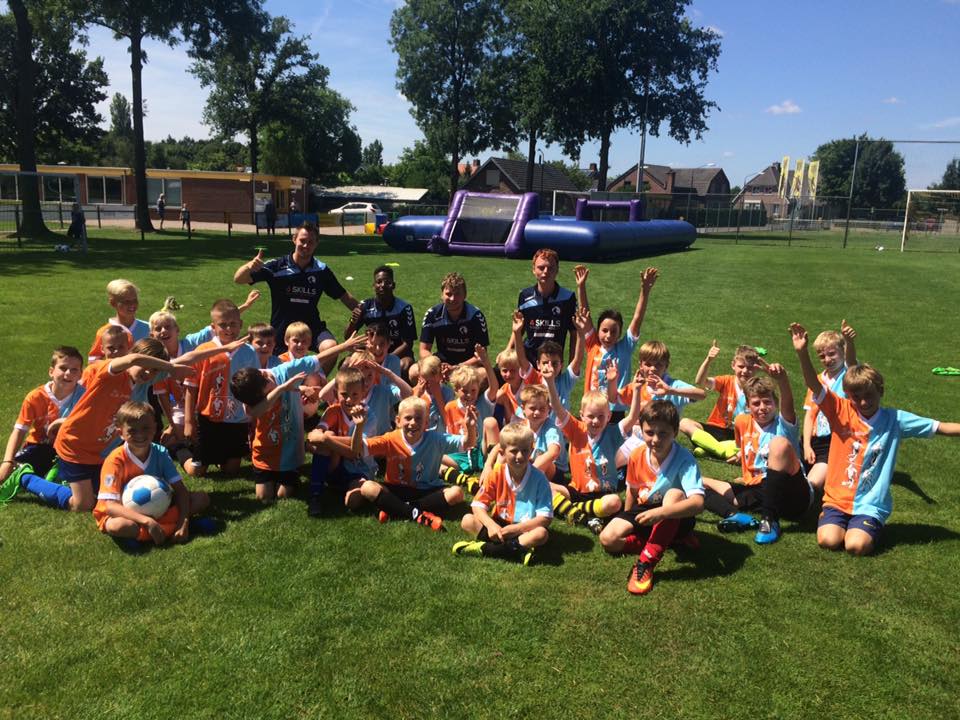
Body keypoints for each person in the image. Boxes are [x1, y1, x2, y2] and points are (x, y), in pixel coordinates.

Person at [791, 322, 960, 556]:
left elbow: (940, 427)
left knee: (856, 545)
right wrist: (802, 353)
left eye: (869, 395)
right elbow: (814, 384)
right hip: (837, 498)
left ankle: (867, 524)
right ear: (848, 396)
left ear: (880, 392)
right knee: (828, 540)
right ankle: (837, 519)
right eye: (856, 397)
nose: (863, 402)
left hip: (870, 502)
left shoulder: (895, 419)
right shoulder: (840, 410)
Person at [0, 338, 200, 512]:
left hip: (99, 452)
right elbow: (134, 359)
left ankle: (64, 476)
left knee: (111, 496)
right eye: (147, 365)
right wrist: (170, 368)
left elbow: (187, 359)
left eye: (154, 369)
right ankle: (25, 477)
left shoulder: (143, 380)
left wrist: (218, 349)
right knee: (82, 504)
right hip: (74, 446)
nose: (149, 372)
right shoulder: (110, 371)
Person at [599, 401, 705, 595]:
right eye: (649, 432)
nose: (655, 439)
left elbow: (698, 503)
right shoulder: (637, 454)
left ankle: (646, 562)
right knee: (608, 539)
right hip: (646, 510)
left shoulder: (685, 459)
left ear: (675, 432)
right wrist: (627, 518)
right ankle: (666, 540)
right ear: (641, 431)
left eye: (663, 433)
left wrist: (661, 513)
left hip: (676, 515)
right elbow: (632, 491)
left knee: (674, 494)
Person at [701, 363, 813, 545]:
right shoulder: (741, 422)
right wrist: (742, 461)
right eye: (756, 403)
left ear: (775, 404)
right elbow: (744, 448)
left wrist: (782, 380)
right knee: (698, 483)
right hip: (760, 488)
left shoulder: (784, 424)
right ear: (747, 405)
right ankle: (735, 516)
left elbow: (788, 404)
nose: (762, 407)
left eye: (767, 402)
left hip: (792, 493)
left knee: (778, 444)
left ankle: (769, 520)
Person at [330, 396, 476, 531]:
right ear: (398, 421)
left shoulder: (436, 439)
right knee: (367, 487)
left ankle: (397, 509)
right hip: (396, 489)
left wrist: (470, 427)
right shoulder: (390, 439)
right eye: (408, 418)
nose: (413, 423)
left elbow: (468, 443)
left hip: (427, 490)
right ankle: (418, 515)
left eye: (418, 419)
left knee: (456, 493)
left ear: (426, 423)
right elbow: (357, 449)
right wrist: (359, 426)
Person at [233, 222, 359, 374]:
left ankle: (317, 385)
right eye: (302, 241)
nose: (306, 245)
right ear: (294, 239)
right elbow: (238, 279)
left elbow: (344, 296)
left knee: (331, 348)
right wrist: (249, 266)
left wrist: (367, 312)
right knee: (279, 372)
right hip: (282, 329)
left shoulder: (321, 270)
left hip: (312, 327)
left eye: (310, 242)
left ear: (316, 243)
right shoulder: (277, 266)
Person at [542, 361, 644, 533]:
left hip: (603, 494)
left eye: (601, 416)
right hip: (577, 490)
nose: (596, 421)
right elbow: (557, 408)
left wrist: (637, 390)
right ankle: (584, 515)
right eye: (591, 416)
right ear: (582, 415)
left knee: (614, 502)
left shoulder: (613, 433)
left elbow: (633, 417)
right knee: (544, 486)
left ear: (609, 416)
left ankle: (575, 510)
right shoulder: (575, 429)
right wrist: (550, 382)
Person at [92, 401, 210, 546]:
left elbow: (180, 490)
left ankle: (150, 532)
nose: (140, 435)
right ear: (120, 433)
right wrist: (147, 521)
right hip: (124, 514)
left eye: (145, 428)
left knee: (201, 499)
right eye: (132, 431)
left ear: (155, 428)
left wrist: (183, 522)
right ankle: (170, 528)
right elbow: (110, 506)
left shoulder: (160, 453)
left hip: (159, 507)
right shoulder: (114, 460)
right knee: (118, 526)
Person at [452, 422, 552, 565]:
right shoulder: (496, 473)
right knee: (467, 520)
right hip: (498, 526)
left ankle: (485, 549)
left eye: (525, 451)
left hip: (525, 529)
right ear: (502, 452)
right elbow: (477, 505)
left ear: (531, 451)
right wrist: (491, 525)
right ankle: (518, 549)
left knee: (541, 534)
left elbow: (545, 518)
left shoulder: (540, 479)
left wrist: (516, 529)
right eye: (514, 451)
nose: (520, 456)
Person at [182, 299, 260, 477]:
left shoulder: (249, 352)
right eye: (223, 325)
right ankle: (179, 450)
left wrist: (253, 421)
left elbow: (254, 388)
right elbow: (190, 387)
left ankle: (220, 458)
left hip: (237, 419)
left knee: (231, 470)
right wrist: (189, 422)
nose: (229, 329)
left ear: (241, 324)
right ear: (213, 327)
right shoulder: (204, 351)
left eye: (233, 324)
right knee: (197, 471)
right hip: (208, 418)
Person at [578, 267, 658, 420]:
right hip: (591, 407)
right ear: (598, 330)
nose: (608, 336)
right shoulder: (593, 346)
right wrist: (581, 286)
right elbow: (584, 315)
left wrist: (645, 291)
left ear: (620, 333)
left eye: (614, 332)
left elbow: (637, 318)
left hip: (615, 410)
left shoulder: (625, 348)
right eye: (604, 330)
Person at [0, 347, 84, 485]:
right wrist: (7, 461)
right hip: (40, 446)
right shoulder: (35, 397)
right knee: (13, 472)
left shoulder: (85, 397)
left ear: (81, 374)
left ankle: (50, 478)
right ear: (51, 371)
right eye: (63, 368)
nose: (68, 373)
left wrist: (63, 422)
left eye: (74, 370)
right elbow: (19, 430)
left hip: (72, 449)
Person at [801, 321, 858, 491]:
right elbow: (810, 415)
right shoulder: (817, 380)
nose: (827, 360)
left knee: (813, 483)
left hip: (835, 440)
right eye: (822, 356)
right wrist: (806, 445)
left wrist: (849, 342)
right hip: (813, 439)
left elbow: (852, 361)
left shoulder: (848, 375)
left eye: (832, 354)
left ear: (842, 350)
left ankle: (804, 494)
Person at [683, 342, 762, 460]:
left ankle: (708, 447)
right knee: (684, 423)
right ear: (733, 365)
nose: (745, 371)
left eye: (750, 368)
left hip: (740, 434)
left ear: (756, 368)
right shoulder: (727, 381)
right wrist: (708, 360)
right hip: (717, 428)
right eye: (741, 366)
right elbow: (700, 381)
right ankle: (721, 451)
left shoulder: (759, 389)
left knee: (758, 438)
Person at [344, 266, 418, 376]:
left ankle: (399, 388)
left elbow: (408, 343)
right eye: (379, 282)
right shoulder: (365, 306)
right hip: (371, 351)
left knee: (404, 365)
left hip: (397, 351)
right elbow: (347, 337)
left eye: (387, 282)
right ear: (374, 286)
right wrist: (352, 321)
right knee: (346, 364)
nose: (382, 285)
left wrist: (386, 359)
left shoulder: (404, 308)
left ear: (393, 285)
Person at [513, 249, 578, 363]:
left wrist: (572, 364)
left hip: (553, 363)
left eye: (550, 268)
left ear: (557, 270)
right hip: (528, 362)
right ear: (534, 270)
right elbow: (519, 328)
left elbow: (574, 333)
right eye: (541, 267)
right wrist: (508, 349)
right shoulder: (525, 295)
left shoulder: (568, 298)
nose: (546, 271)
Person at [418, 272, 489, 372]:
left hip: (467, 366)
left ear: (465, 295)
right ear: (442, 294)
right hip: (441, 364)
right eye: (448, 294)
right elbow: (424, 350)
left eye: (457, 294)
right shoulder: (432, 314)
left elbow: (482, 354)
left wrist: (457, 367)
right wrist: (438, 365)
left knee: (484, 374)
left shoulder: (475, 316)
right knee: (413, 371)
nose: (453, 298)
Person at [88, 279, 151, 363]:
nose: (132, 304)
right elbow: (93, 360)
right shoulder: (104, 332)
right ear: (113, 303)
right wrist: (114, 365)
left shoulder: (149, 328)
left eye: (134, 300)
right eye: (126, 302)